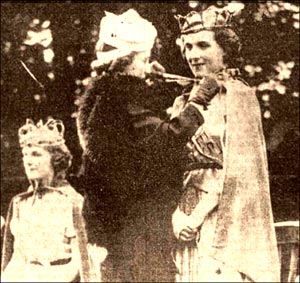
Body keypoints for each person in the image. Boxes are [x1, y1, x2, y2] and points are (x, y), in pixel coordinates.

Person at [76, 8, 220, 282]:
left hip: (114, 222)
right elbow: (168, 135)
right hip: (133, 223)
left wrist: (150, 80)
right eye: (144, 59)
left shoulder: (100, 95)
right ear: (128, 62)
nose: (148, 64)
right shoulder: (117, 101)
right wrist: (199, 100)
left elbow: (141, 129)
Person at [171, 5, 280, 282]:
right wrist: (177, 215)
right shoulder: (184, 101)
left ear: (224, 50)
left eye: (203, 45)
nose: (193, 55)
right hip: (181, 219)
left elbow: (237, 173)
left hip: (224, 221)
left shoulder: (238, 97)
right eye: (188, 46)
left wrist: (195, 217)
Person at [1, 119, 93, 282]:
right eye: (25, 155)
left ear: (55, 159)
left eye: (36, 154)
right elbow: (17, 257)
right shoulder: (20, 204)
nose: (28, 161)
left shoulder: (71, 202)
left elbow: (80, 263)